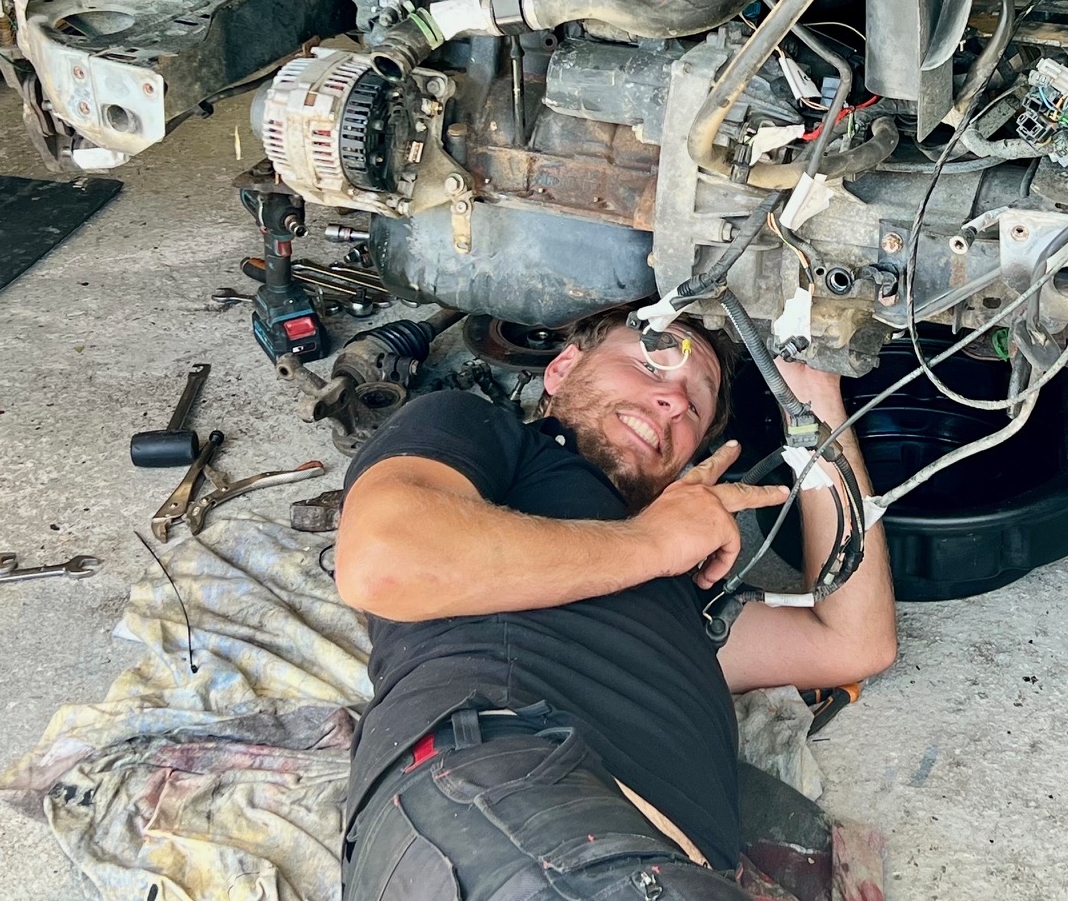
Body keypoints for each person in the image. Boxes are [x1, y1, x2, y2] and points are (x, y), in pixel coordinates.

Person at [335, 308, 897, 899]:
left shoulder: (678, 589)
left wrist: (814, 402)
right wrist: (652, 543)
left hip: (662, 867)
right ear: (561, 368)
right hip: (501, 787)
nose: (674, 402)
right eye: (649, 364)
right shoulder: (483, 430)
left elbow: (855, 642)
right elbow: (383, 561)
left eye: (696, 405)